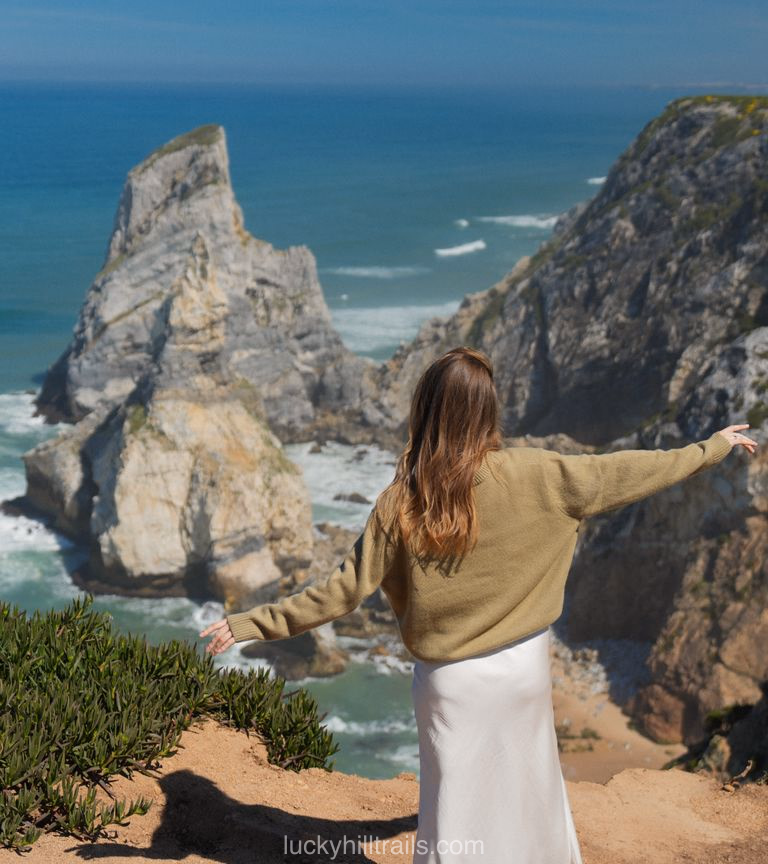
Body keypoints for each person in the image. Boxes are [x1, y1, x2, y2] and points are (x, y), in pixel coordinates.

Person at [200, 346, 757, 863]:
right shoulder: (541, 473)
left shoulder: (402, 502)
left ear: (426, 411)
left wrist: (253, 624)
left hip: (451, 686)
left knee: (455, 812)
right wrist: (711, 448)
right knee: (532, 796)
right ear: (488, 412)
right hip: (523, 672)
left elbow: (341, 592)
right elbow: (633, 470)